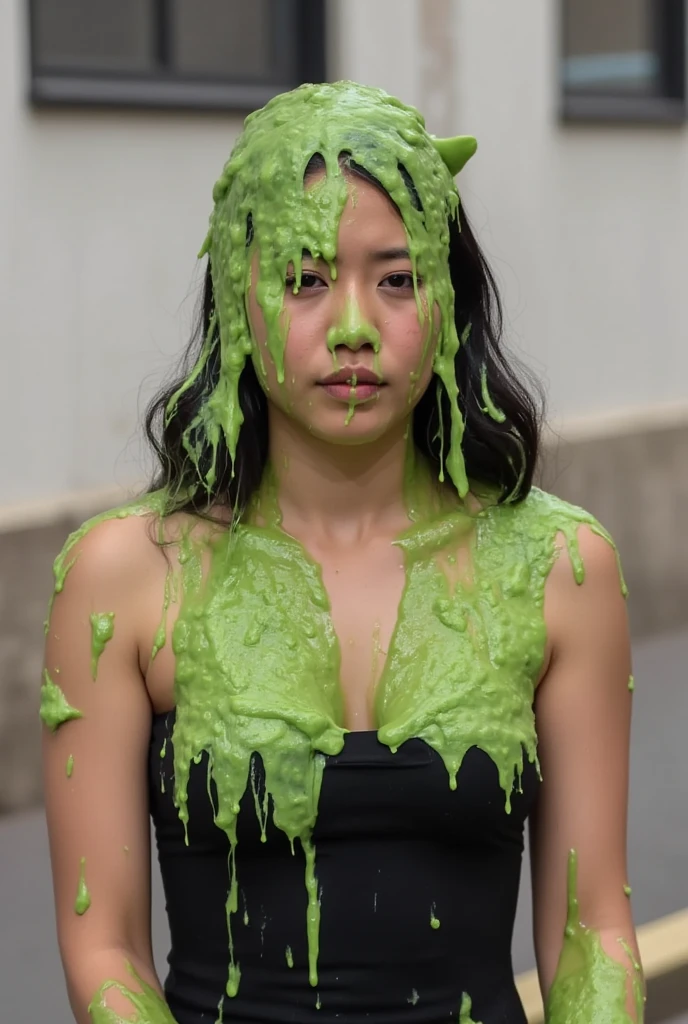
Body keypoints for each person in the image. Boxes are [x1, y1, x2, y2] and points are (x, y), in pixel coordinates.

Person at [41, 81, 644, 1024]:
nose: (354, 324)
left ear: (450, 302)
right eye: (305, 279)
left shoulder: (562, 568)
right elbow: (103, 949)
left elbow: (592, 933)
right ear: (240, 305)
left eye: (397, 278)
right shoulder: (125, 577)